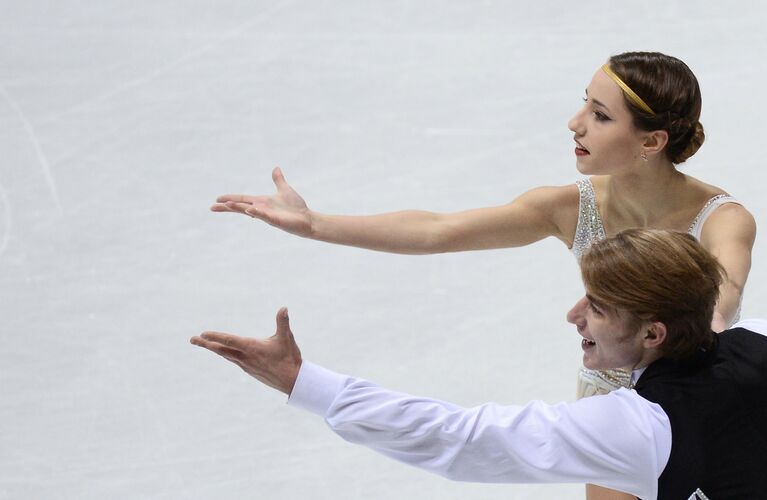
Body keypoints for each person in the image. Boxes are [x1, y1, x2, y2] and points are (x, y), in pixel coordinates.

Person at [211, 52, 757, 498]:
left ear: (652, 142)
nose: (576, 123)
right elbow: (439, 229)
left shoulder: (723, 220)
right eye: (584, 105)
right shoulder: (569, 206)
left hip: (691, 378)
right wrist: (314, 224)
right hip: (608, 384)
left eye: (601, 115)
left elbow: (720, 299)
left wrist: (682, 319)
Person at [190, 229, 767, 499]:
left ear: (653, 332)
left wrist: (305, 383)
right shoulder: (755, 339)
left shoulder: (640, 428)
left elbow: (462, 440)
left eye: (596, 306)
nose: (573, 316)